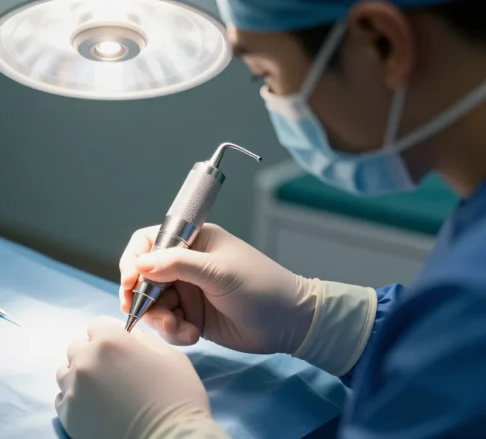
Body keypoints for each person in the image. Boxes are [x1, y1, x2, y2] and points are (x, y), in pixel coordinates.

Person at [54, 0, 486, 438]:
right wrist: (319, 319)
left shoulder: (472, 300)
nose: (273, 99)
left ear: (380, 43)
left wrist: (162, 427)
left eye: (266, 74)